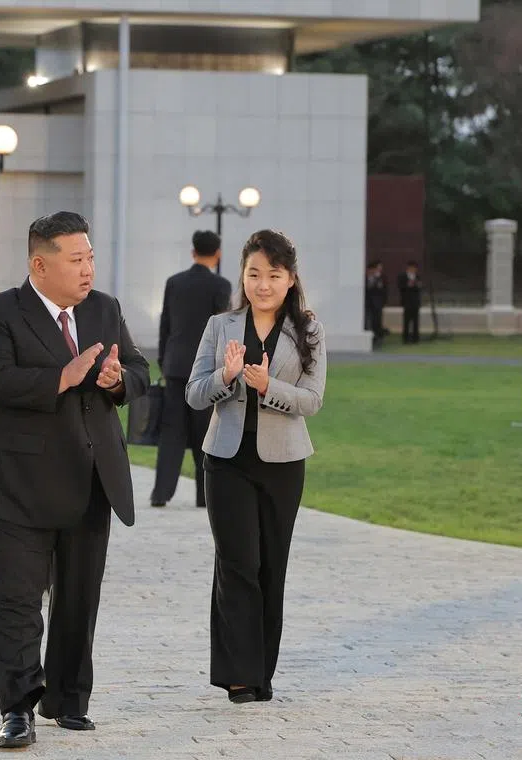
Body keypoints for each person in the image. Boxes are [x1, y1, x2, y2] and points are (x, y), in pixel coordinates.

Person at [0, 211, 150, 748]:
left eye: (90, 256)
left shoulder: (105, 310)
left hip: (90, 478)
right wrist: (61, 377)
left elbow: (140, 370)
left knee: (77, 598)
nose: (88, 268)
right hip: (17, 483)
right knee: (16, 603)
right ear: (39, 265)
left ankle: (68, 700)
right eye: (77, 259)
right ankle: (17, 708)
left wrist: (119, 382)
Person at [185, 229, 327, 703]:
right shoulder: (220, 326)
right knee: (237, 564)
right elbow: (194, 391)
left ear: (289, 279)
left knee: (271, 566)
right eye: (253, 274)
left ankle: (262, 671)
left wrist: (269, 387)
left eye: (273, 274)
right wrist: (226, 377)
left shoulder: (307, 329)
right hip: (225, 460)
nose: (262, 284)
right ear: (241, 276)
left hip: (283, 464)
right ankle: (238, 675)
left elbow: (312, 399)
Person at [151, 230, 232, 508]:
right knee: (204, 434)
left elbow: (165, 326)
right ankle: (203, 496)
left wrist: (164, 361)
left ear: (192, 252)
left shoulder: (174, 283)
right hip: (205, 371)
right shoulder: (221, 285)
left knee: (170, 434)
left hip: (174, 367)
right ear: (218, 253)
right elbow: (223, 329)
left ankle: (160, 493)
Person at [396, 260, 422, 344]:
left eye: (415, 268)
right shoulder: (402, 276)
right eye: (412, 268)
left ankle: (415, 338)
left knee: (415, 321)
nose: (413, 270)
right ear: (408, 268)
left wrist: (418, 285)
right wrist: (408, 285)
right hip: (407, 301)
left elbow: (420, 287)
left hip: (415, 301)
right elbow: (400, 287)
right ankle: (406, 338)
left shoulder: (417, 276)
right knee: (406, 320)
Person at [364, 261, 387, 346]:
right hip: (367, 304)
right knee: (368, 321)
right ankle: (370, 338)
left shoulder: (380, 279)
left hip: (377, 304)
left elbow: (383, 291)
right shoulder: (365, 278)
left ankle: (378, 338)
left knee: (377, 321)